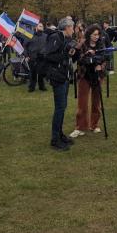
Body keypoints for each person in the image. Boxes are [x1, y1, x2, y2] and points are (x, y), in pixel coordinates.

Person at [43, 18, 77, 150]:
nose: (73, 30)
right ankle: (55, 139)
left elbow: (68, 56)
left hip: (64, 75)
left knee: (63, 107)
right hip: (57, 76)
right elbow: (47, 55)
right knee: (60, 108)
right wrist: (65, 55)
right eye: (71, 27)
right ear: (66, 27)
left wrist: (72, 54)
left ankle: (60, 134)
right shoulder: (55, 37)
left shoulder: (66, 39)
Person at [69, 24, 105, 138]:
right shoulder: (82, 44)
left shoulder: (101, 44)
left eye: (98, 34)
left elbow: (105, 58)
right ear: (89, 34)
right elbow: (77, 59)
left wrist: (101, 66)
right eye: (94, 34)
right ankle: (80, 127)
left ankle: (94, 125)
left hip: (97, 76)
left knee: (96, 102)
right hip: (84, 75)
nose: (97, 37)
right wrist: (86, 54)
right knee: (82, 103)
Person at [25, 23, 48, 92]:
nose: (41, 27)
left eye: (42, 26)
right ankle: (32, 87)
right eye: (40, 26)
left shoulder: (46, 36)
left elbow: (48, 46)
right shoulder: (30, 35)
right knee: (33, 73)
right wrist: (26, 55)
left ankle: (42, 86)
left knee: (41, 73)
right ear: (36, 27)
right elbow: (25, 46)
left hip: (42, 57)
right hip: (33, 57)